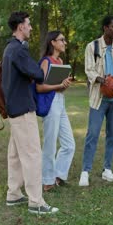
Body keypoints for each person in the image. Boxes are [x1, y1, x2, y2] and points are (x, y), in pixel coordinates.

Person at [1, 11, 58, 214]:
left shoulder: (10, 49)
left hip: (14, 108)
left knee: (15, 154)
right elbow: (37, 73)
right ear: (20, 27)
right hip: (23, 109)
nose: (31, 27)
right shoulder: (18, 50)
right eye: (28, 24)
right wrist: (43, 70)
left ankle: (14, 194)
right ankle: (36, 202)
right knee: (33, 154)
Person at [79, 15, 113, 187]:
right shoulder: (92, 46)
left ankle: (107, 169)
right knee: (92, 134)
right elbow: (89, 70)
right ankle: (85, 171)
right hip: (99, 99)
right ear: (105, 28)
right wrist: (105, 82)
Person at [36, 31, 75, 192]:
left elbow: (59, 86)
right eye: (62, 40)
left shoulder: (60, 61)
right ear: (52, 42)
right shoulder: (46, 61)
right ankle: (47, 181)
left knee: (69, 144)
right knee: (50, 144)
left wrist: (64, 85)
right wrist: (58, 86)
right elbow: (39, 87)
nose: (65, 42)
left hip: (60, 102)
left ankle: (58, 175)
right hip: (50, 103)